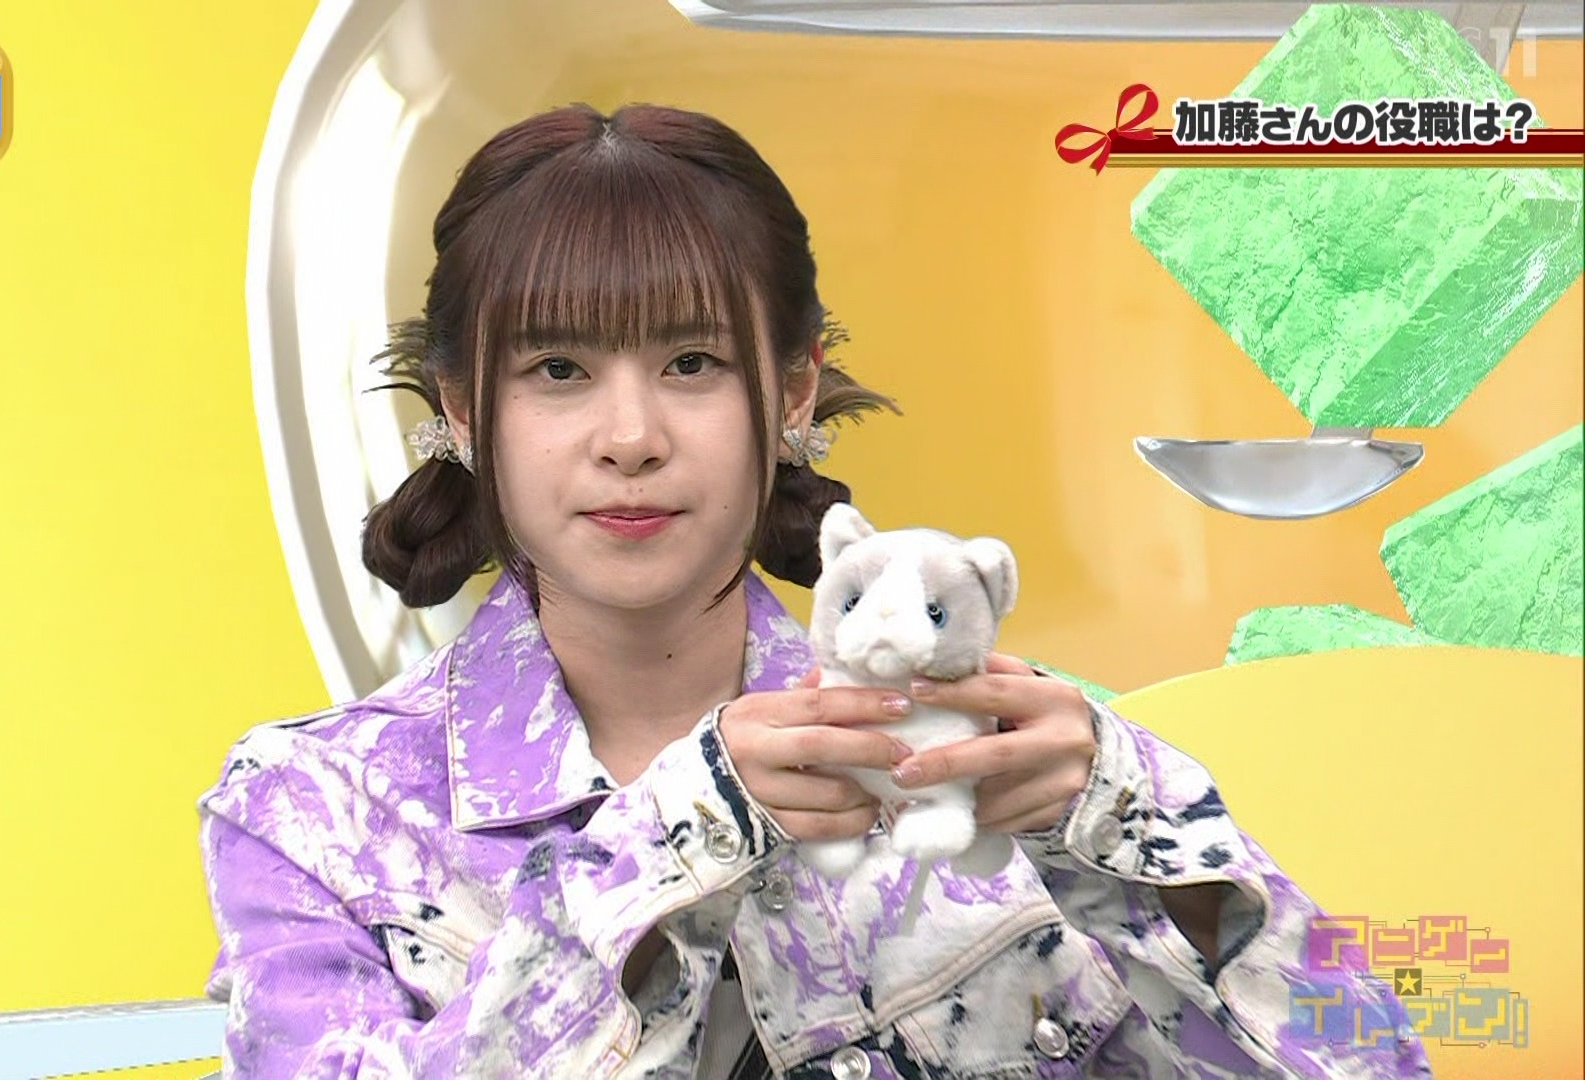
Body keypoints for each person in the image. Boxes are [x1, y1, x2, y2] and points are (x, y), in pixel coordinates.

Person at [198, 103, 1427, 1079]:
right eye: (559, 370)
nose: (630, 439)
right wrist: (684, 830)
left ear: (792, 392)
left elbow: (1380, 1060)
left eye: (692, 362)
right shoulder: (314, 810)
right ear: (465, 409)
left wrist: (1139, 840)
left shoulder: (1012, 750)